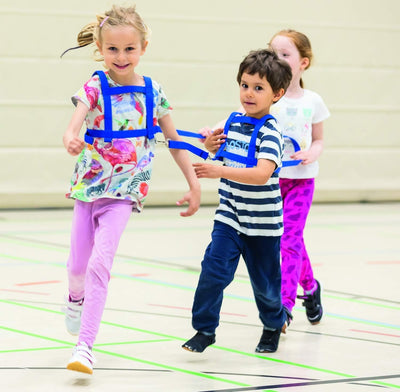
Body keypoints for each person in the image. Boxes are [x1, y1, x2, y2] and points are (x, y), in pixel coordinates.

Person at [61, 5, 200, 374]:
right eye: (112, 49)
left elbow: (174, 141)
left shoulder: (154, 91)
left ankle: (84, 347)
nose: (121, 57)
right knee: (77, 268)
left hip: (125, 192)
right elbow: (72, 125)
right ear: (100, 47)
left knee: (100, 265)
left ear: (143, 47)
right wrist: (71, 137)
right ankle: (74, 298)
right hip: (89, 187)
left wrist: (193, 182)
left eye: (129, 49)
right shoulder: (93, 86)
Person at [201, 29, 330, 328]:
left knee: (291, 239)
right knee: (287, 240)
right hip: (268, 184)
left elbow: (320, 140)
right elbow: (234, 120)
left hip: (299, 181)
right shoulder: (266, 95)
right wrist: (212, 133)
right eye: (274, 53)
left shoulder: (313, 101)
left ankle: (284, 307)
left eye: (286, 55)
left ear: (304, 63)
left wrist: (313, 151)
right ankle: (310, 287)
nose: (278, 59)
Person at [182, 48, 292, 354]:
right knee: (213, 272)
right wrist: (209, 146)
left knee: (266, 288)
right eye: (245, 85)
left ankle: (273, 323)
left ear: (277, 94)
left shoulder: (271, 132)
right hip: (229, 217)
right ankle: (204, 330)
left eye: (259, 88)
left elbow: (261, 174)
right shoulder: (231, 123)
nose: (249, 93)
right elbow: (218, 157)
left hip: (263, 226)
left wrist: (218, 170)